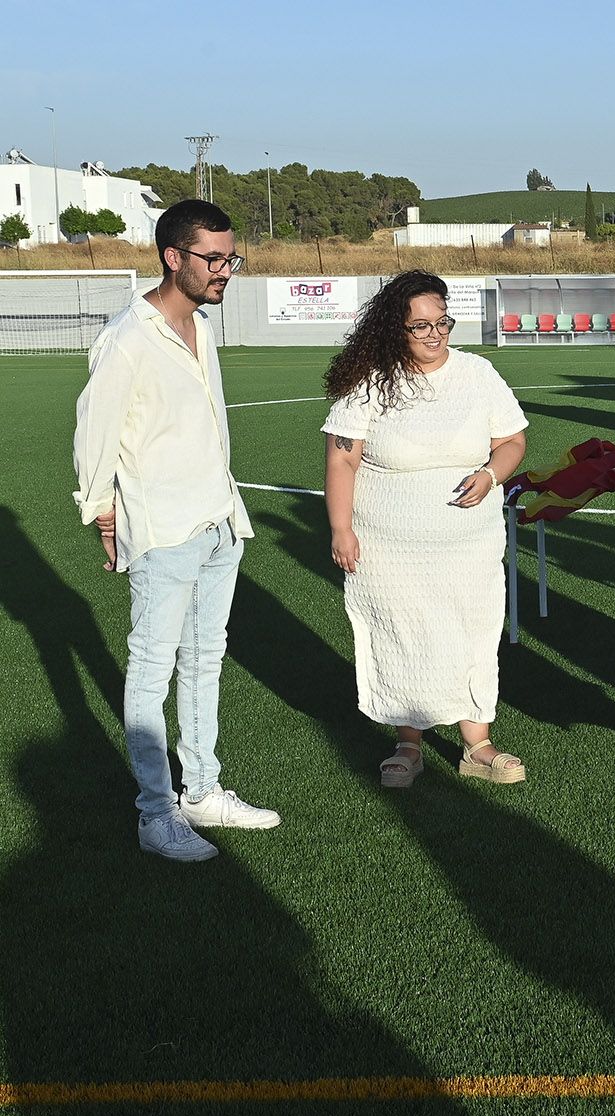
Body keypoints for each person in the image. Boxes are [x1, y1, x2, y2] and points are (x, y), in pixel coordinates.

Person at [73, 198, 279, 861]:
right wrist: (104, 513)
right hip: (162, 526)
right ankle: (155, 813)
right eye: (213, 259)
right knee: (152, 669)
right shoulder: (128, 338)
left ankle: (203, 791)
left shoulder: (203, 330)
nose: (225, 270)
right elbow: (93, 437)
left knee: (205, 660)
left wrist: (225, 510)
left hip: (218, 517)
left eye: (230, 257)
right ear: (173, 257)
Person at [322, 271, 529, 787]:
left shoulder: (478, 374)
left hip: (469, 544)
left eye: (443, 323)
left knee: (474, 633)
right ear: (396, 328)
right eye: (421, 326)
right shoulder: (369, 381)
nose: (435, 335)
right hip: (390, 544)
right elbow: (342, 461)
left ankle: (477, 746)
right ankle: (408, 744)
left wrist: (491, 474)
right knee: (405, 636)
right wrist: (340, 528)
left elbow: (512, 441)